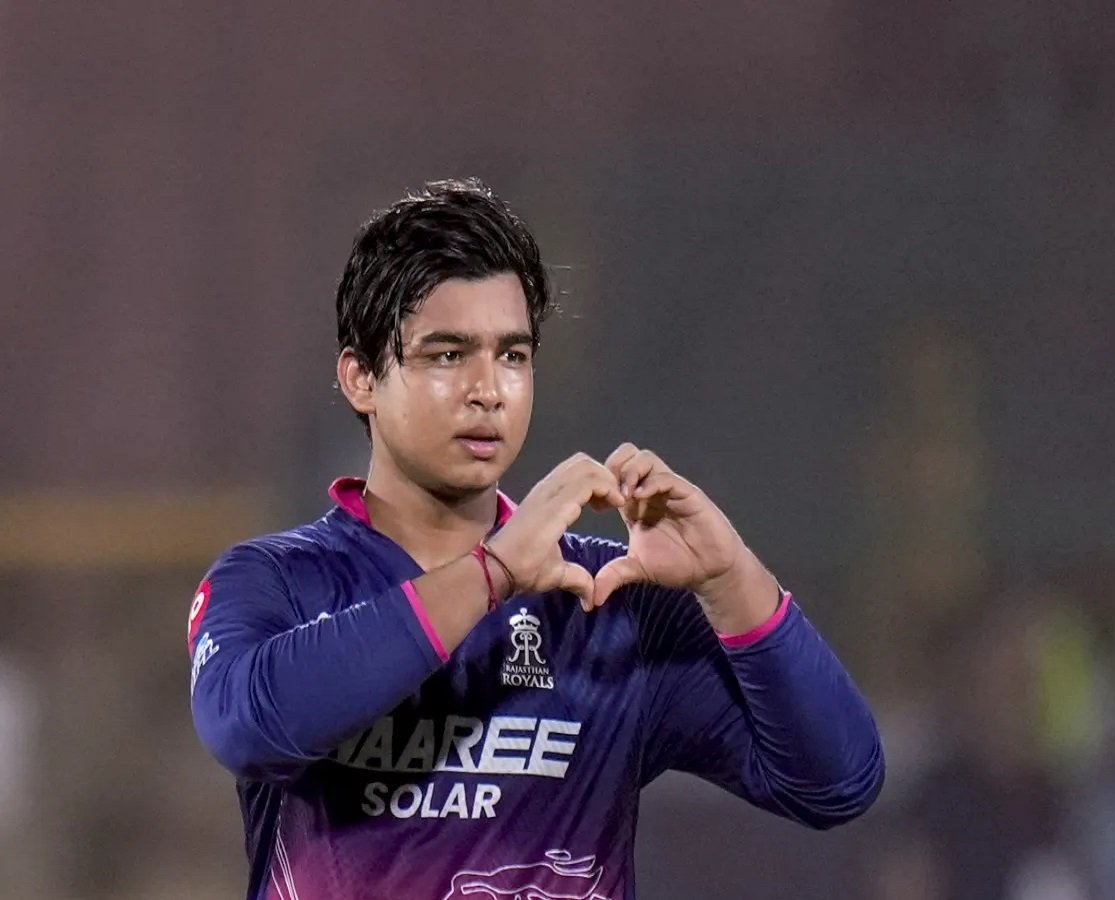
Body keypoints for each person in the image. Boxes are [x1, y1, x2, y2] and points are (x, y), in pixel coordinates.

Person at [187, 178, 885, 900]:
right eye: (447, 355)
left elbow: (838, 782)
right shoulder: (273, 580)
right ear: (361, 378)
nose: (488, 389)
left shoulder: (608, 601)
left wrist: (730, 577)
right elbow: (247, 726)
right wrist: (491, 574)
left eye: (513, 355)